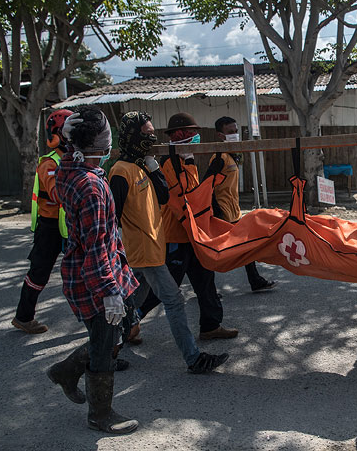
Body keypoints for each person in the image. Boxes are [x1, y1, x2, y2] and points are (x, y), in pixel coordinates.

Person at [108, 111, 228, 374]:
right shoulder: (120, 172)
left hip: (153, 247)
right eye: (146, 134)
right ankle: (193, 359)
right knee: (173, 300)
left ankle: (107, 351)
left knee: (133, 304)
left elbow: (162, 195)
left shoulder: (143, 166)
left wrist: (152, 167)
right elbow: (111, 217)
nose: (150, 138)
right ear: (131, 136)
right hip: (140, 250)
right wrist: (114, 256)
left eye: (152, 133)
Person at [47, 105, 138, 434]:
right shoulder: (92, 187)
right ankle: (100, 414)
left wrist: (69, 146)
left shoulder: (71, 171)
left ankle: (66, 371)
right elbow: (97, 246)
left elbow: (68, 162)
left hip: (94, 272)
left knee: (117, 331)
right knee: (104, 345)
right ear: (104, 144)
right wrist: (109, 292)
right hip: (95, 278)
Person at [137, 112, 239, 341]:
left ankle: (211, 325)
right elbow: (180, 198)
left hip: (190, 232)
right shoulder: (171, 163)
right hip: (176, 233)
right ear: (180, 136)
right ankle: (131, 320)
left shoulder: (184, 160)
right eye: (191, 133)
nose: (195, 137)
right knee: (166, 285)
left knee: (205, 278)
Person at [11, 110, 73, 334]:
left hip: (68, 226)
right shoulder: (49, 163)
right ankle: (23, 317)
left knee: (84, 271)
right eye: (70, 132)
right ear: (57, 134)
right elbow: (59, 194)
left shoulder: (72, 158)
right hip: (50, 228)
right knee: (39, 272)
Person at [211, 116, 276, 292]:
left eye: (235, 131)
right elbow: (208, 185)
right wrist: (216, 212)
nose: (234, 134)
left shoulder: (232, 156)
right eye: (230, 132)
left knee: (246, 247)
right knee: (215, 251)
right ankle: (206, 289)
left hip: (234, 212)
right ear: (220, 135)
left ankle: (255, 280)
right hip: (223, 213)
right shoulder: (220, 158)